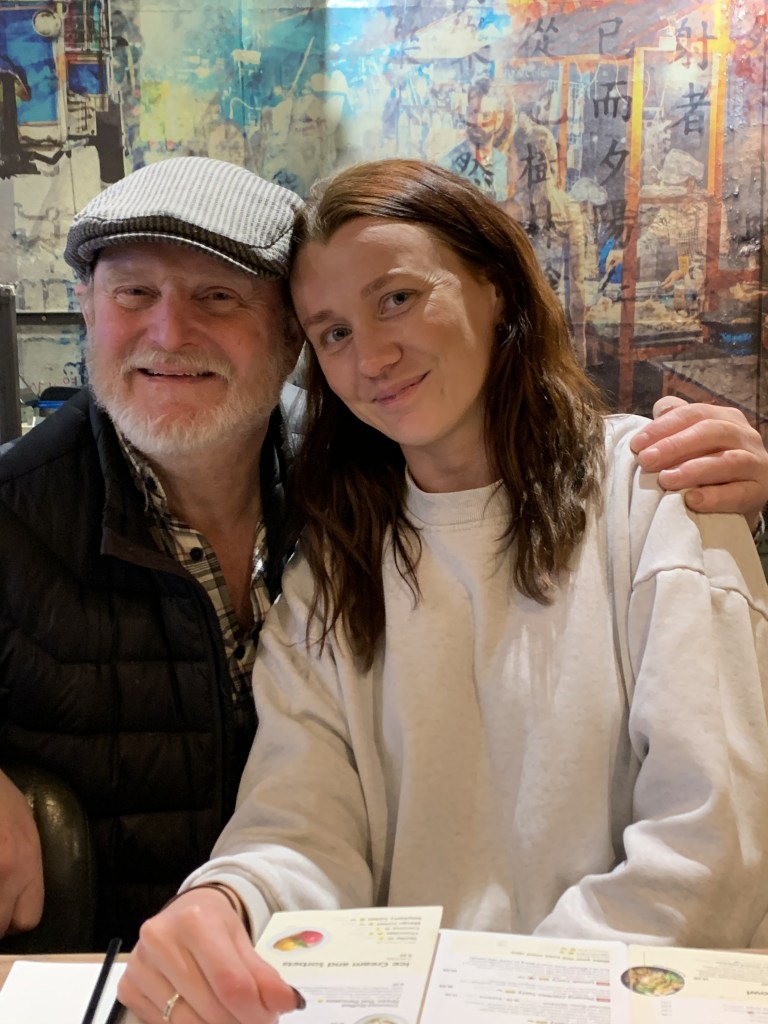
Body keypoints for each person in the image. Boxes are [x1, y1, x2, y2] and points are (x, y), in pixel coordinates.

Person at [0, 158, 766, 959]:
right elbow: (301, 819)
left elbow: (712, 842)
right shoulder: (338, 556)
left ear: (497, 286)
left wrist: (525, 997)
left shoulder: (660, 490)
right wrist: (228, 902)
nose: (370, 357)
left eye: (397, 298)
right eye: (335, 332)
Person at [0, 156, 304, 948]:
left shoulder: (362, 488)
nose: (168, 334)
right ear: (87, 309)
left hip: (344, 969)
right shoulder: (13, 515)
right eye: (133, 293)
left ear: (293, 330)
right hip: (106, 981)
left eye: (218, 296)